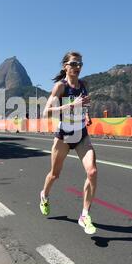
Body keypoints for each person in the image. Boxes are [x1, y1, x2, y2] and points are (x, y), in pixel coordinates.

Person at [39, 51, 98, 235]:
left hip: (81, 135)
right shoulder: (60, 87)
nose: (78, 67)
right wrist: (70, 105)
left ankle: (84, 214)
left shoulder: (83, 86)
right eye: (73, 64)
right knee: (54, 175)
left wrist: (86, 115)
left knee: (93, 171)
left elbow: (84, 107)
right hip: (64, 136)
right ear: (65, 66)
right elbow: (46, 112)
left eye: (80, 64)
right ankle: (44, 195)